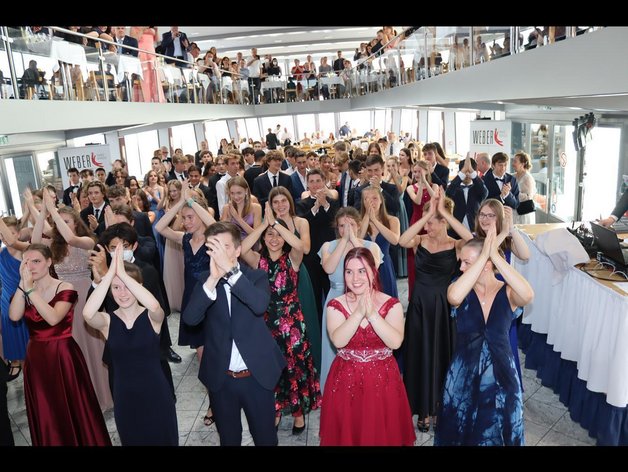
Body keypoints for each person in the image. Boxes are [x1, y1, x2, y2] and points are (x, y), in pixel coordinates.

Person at [182, 222, 286, 446]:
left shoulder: (256, 276)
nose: (219, 254)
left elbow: (259, 305)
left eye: (225, 247)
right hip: (221, 379)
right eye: (214, 248)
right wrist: (212, 279)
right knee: (229, 439)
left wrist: (230, 271)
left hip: (256, 377)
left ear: (238, 250)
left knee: (266, 439)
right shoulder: (205, 281)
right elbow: (190, 318)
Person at [434, 227, 533, 446]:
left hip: (502, 376)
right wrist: (481, 259)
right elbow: (453, 297)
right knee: (459, 434)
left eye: (466, 262)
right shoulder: (459, 289)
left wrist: (494, 255)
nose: (461, 267)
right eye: (461, 262)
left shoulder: (508, 292)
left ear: (486, 265)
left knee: (501, 432)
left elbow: (527, 294)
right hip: (463, 377)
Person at [8, 244, 111, 446]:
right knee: (46, 407)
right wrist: (22, 285)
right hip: (36, 357)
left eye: (36, 261)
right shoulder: (24, 289)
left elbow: (53, 318)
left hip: (63, 354)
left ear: (49, 262)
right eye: (26, 262)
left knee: (72, 404)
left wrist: (30, 290)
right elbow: (14, 316)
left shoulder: (65, 287)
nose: (30, 267)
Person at [319, 247, 415, 446]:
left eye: (362, 271)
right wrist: (358, 313)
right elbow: (338, 341)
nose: (355, 278)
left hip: (383, 383)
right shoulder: (335, 305)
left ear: (373, 271)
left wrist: (371, 314)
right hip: (345, 383)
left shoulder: (392, 304)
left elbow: (395, 342)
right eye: (349, 271)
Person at [83, 246, 178, 445]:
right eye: (116, 288)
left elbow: (154, 305)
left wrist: (123, 274)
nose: (123, 293)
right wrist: (110, 274)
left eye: (127, 286)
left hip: (156, 393)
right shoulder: (108, 322)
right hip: (125, 397)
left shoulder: (152, 317)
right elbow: (88, 314)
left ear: (139, 287)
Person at [240, 205, 321, 434]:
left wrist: (275, 223)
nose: (274, 239)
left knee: (295, 368)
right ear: (264, 238)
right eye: (270, 235)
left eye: (278, 235)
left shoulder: (292, 259)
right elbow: (242, 248)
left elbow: (300, 245)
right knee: (271, 368)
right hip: (266, 323)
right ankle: (275, 410)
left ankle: (298, 414)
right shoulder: (258, 260)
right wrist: (263, 226)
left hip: (292, 323)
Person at [399, 187, 473, 433]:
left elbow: (472, 239)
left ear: (445, 222)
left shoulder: (457, 245)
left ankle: (439, 407)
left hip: (443, 309)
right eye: (426, 222)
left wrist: (444, 212)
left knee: (442, 357)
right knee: (420, 356)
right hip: (419, 307)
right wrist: (427, 215)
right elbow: (401, 240)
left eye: (432, 222)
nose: (427, 226)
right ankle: (423, 409)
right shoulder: (419, 240)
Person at [318, 207, 382, 393]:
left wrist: (353, 240)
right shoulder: (328, 246)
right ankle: (335, 391)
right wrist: (343, 242)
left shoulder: (371, 247)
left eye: (351, 225)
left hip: (362, 301)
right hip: (336, 300)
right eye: (342, 226)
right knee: (335, 348)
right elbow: (329, 269)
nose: (346, 229)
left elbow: (371, 269)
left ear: (359, 225)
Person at [0, 216, 29, 381]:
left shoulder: (24, 250)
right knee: (16, 346)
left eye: (10, 233)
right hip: (5, 303)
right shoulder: (1, 252)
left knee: (28, 346)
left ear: (18, 234)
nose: (5, 237)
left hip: (23, 300)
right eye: (2, 234)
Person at [512, 152, 537, 224]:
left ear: (522, 164)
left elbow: (529, 197)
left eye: (515, 162)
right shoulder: (513, 176)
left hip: (524, 212)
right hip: (514, 211)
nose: (513, 164)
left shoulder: (528, 178)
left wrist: (513, 193)